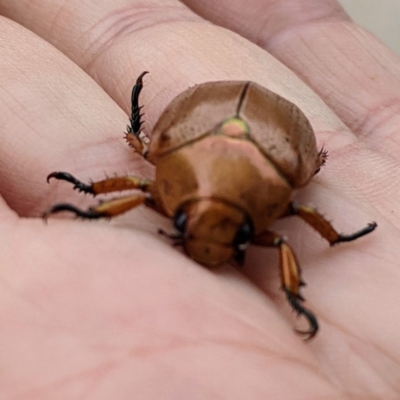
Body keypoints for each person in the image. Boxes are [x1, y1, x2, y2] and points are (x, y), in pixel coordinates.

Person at [0, 0, 396, 398]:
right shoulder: (262, 207)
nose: (212, 246)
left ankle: (94, 201)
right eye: (234, 236)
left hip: (238, 123)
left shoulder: (253, 197)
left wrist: (89, 200)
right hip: (258, 126)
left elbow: (139, 188)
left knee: (145, 160)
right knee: (149, 169)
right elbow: (304, 200)